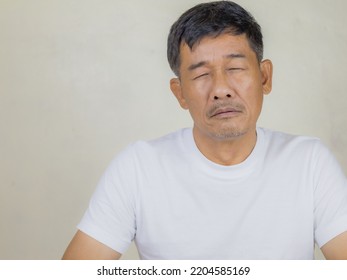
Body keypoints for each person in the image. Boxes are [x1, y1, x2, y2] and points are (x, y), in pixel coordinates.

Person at [62, 1, 347, 260]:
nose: (221, 90)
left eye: (235, 68)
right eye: (200, 74)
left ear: (264, 77)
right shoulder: (138, 168)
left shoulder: (309, 163)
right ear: (180, 93)